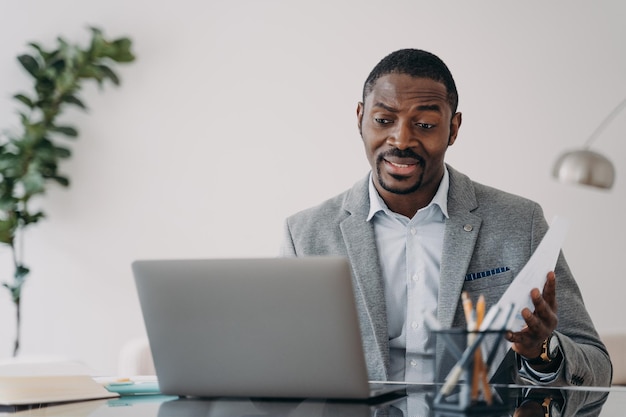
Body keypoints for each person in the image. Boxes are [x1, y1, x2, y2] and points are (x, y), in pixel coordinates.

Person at [280, 48, 611, 386]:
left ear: (453, 129)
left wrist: (542, 349)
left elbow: (597, 365)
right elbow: (281, 362)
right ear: (360, 118)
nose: (401, 139)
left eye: (424, 125)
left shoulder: (520, 222)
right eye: (383, 121)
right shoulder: (305, 235)